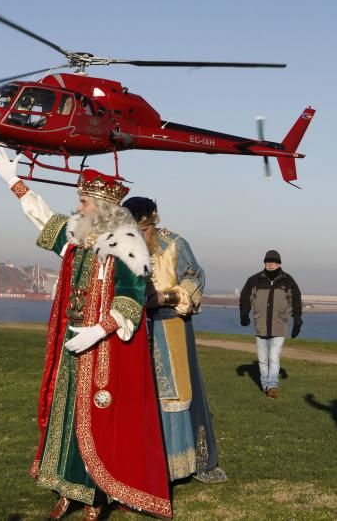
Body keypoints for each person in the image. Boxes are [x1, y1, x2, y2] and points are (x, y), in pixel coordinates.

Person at [0, 147, 171, 520]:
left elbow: (132, 297)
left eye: (84, 201)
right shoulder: (78, 236)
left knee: (98, 422)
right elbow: (44, 220)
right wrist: (12, 181)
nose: (80, 208)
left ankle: (94, 498)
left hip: (103, 351)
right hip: (72, 346)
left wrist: (98, 331)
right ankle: (65, 491)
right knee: (66, 412)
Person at [122, 196, 227, 484]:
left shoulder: (174, 243)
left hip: (168, 325)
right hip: (131, 328)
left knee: (173, 391)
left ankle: (176, 464)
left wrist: (164, 296)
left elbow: (195, 277)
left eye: (143, 230)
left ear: (153, 222)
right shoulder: (120, 246)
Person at [238, 250, 303, 399]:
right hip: (260, 324)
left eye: (273, 261)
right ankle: (265, 385)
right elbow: (244, 297)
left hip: (279, 325)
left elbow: (296, 301)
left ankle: (272, 385)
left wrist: (297, 321)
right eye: (267, 261)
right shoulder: (254, 280)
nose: (270, 264)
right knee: (262, 358)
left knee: (274, 356)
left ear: (279, 263)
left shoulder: (288, 281)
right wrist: (244, 314)